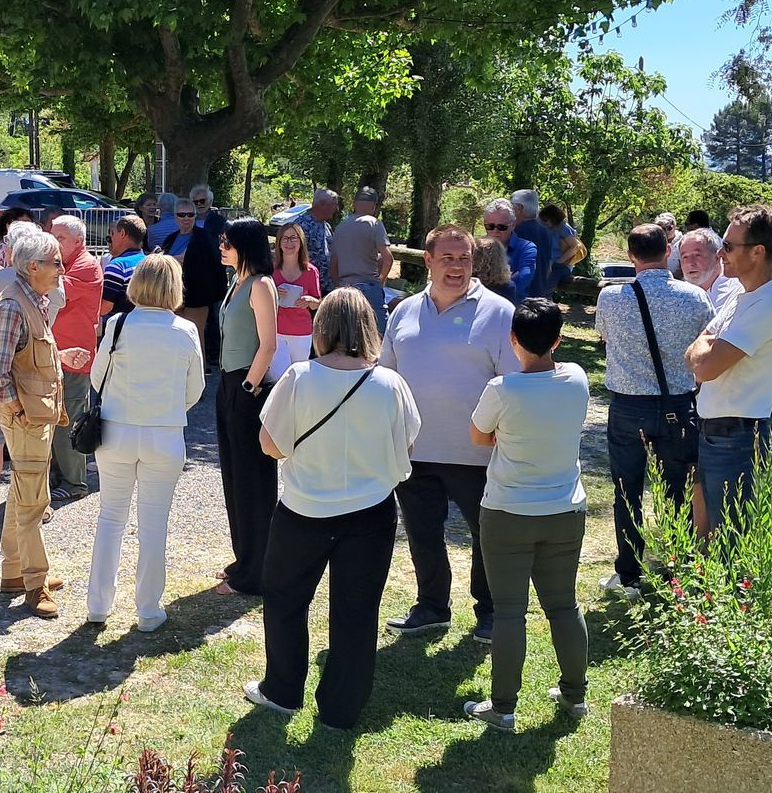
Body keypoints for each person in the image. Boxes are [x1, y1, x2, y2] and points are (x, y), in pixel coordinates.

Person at [244, 287, 421, 730]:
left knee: (285, 601)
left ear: (321, 326)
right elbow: (408, 447)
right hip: (371, 511)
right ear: (369, 328)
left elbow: (270, 445)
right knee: (357, 612)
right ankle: (341, 710)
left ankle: (282, 690)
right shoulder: (391, 383)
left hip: (303, 510)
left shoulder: (299, 377)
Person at [378, 225, 518, 641]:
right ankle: (432, 606)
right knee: (423, 534)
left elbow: (512, 385)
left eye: (464, 259)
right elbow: (386, 377)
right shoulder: (403, 311)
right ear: (428, 261)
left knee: (487, 536)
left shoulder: (499, 312)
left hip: (478, 452)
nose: (456, 267)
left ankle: (490, 611)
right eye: (447, 258)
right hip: (414, 450)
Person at [466, 298, 591, 734]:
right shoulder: (576, 378)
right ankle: (575, 695)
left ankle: (502, 708)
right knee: (563, 605)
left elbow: (479, 436)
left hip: (507, 511)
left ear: (513, 339)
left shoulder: (502, 389)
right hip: (564, 510)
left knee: (508, 612)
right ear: (558, 339)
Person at [86, 255, 206, 630]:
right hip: (164, 434)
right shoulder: (185, 330)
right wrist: (167, 407)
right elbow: (195, 389)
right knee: (154, 525)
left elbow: (97, 378)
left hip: (116, 431)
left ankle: (98, 605)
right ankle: (149, 611)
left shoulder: (118, 324)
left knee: (110, 517)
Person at [595, 225, 710, 600]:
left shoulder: (612, 298)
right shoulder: (695, 298)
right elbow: (706, 344)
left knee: (627, 491)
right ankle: (679, 573)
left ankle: (628, 575)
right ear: (668, 251)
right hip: (678, 405)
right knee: (677, 493)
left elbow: (605, 336)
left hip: (628, 406)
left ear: (631, 256)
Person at [686, 205, 772, 532]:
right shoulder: (742, 295)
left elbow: (704, 367)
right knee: (704, 530)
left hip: (737, 439)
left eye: (729, 246)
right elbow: (701, 345)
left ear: (758, 252)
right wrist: (702, 349)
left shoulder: (770, 305)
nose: (720, 253)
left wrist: (702, 350)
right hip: (716, 431)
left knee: (730, 540)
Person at [0, 228, 70, 618]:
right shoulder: (13, 305)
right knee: (34, 500)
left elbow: (23, 357)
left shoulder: (31, 300)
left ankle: (14, 572)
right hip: (26, 418)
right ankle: (36, 582)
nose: (61, 270)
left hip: (33, 415)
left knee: (24, 491)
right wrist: (18, 411)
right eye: (55, 263)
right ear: (33, 266)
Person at [215, 218, 282, 597]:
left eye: (228, 242)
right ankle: (244, 560)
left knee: (253, 484)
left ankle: (256, 573)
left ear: (246, 246)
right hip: (230, 384)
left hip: (248, 387)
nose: (222, 247)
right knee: (234, 479)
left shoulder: (261, 284)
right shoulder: (236, 282)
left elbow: (268, 344)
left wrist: (248, 386)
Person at [49, 215, 103, 501]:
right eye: (51, 235)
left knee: (69, 418)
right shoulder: (65, 263)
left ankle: (75, 483)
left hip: (76, 358)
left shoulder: (86, 266)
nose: (53, 242)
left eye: (60, 238)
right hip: (58, 354)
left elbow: (54, 292)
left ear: (79, 241)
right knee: (55, 417)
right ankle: (59, 477)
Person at [158, 197, 228, 363]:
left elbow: (214, 265)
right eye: (182, 215)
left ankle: (199, 372)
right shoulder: (170, 238)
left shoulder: (204, 237)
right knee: (174, 335)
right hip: (173, 295)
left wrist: (175, 260)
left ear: (195, 216)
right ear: (175, 216)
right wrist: (175, 259)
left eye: (190, 214)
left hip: (197, 296)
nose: (186, 218)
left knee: (195, 336)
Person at [330, 186, 391, 332]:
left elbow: (334, 263)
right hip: (368, 286)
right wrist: (380, 280)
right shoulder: (375, 224)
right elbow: (388, 258)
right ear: (373, 205)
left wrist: (338, 285)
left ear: (355, 204)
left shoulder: (340, 227)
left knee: (348, 333)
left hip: (345, 287)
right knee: (378, 333)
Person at [272, 221, 323, 374]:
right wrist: (273, 294)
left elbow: (318, 303)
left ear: (301, 242)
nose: (289, 242)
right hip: (276, 331)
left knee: (298, 376)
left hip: (302, 333)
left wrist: (310, 301)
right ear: (279, 243)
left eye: (294, 238)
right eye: (285, 238)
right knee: (277, 376)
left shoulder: (311, 271)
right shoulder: (270, 270)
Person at [483, 198, 535, 305]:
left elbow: (520, 283)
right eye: (490, 226)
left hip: (512, 308)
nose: (495, 231)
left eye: (502, 227)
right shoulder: (477, 247)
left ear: (513, 225)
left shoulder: (526, 248)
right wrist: (507, 280)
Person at [679, 228, 743, 314]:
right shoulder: (678, 295)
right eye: (685, 257)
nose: (690, 263)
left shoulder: (737, 293)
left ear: (717, 257)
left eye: (697, 255)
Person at [510, 189, 557, 299]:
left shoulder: (516, 232)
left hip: (520, 296)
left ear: (519, 208)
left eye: (511, 206)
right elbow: (549, 266)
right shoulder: (546, 231)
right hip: (540, 294)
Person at [100, 215, 148, 316]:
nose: (110, 240)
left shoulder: (117, 266)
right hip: (146, 319)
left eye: (112, 234)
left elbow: (104, 308)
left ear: (122, 233)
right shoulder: (149, 263)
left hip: (120, 323)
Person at [539, 204, 585, 292]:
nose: (544, 222)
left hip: (562, 266)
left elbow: (575, 246)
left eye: (545, 220)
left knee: (545, 288)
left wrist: (559, 262)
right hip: (549, 265)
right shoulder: (548, 228)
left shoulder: (564, 228)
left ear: (553, 218)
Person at [301, 189, 339, 294]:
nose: (336, 208)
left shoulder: (326, 226)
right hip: (309, 289)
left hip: (326, 287)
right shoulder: (302, 225)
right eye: (334, 205)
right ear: (322, 204)